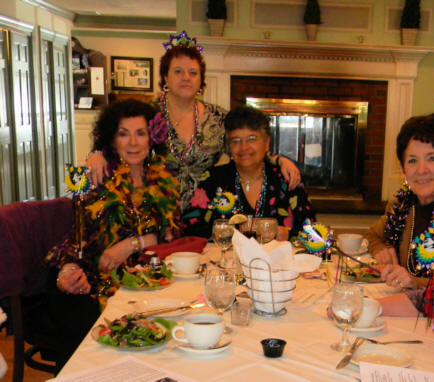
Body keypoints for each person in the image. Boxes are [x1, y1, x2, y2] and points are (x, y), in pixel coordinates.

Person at [86, 31, 301, 215]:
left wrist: (278, 159)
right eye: (178, 71)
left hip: (205, 211)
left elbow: (244, 146)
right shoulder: (147, 114)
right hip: (155, 209)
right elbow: (117, 141)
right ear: (165, 77)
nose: (185, 77)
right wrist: (96, 153)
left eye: (192, 72)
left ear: (201, 80)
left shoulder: (218, 118)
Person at [45, 99, 180, 370]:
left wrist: (130, 245)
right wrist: (68, 271)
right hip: (97, 279)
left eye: (140, 133)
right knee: (78, 308)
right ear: (112, 139)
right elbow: (76, 237)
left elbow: (171, 233)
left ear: (152, 138)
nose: (132, 142)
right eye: (123, 133)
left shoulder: (164, 179)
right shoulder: (97, 177)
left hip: (149, 279)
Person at [184, 106, 315, 240]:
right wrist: (232, 231)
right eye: (236, 140)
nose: (244, 147)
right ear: (229, 146)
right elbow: (188, 228)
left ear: (266, 143)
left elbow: (314, 236)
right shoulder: (213, 179)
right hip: (224, 260)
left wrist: (288, 235)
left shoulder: (286, 180)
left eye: (252, 139)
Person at [365, 113, 434, 292]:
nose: (421, 170)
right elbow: (372, 235)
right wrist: (381, 249)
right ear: (402, 169)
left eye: (432, 158)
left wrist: (416, 282)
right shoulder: (401, 206)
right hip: (404, 310)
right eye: (412, 160)